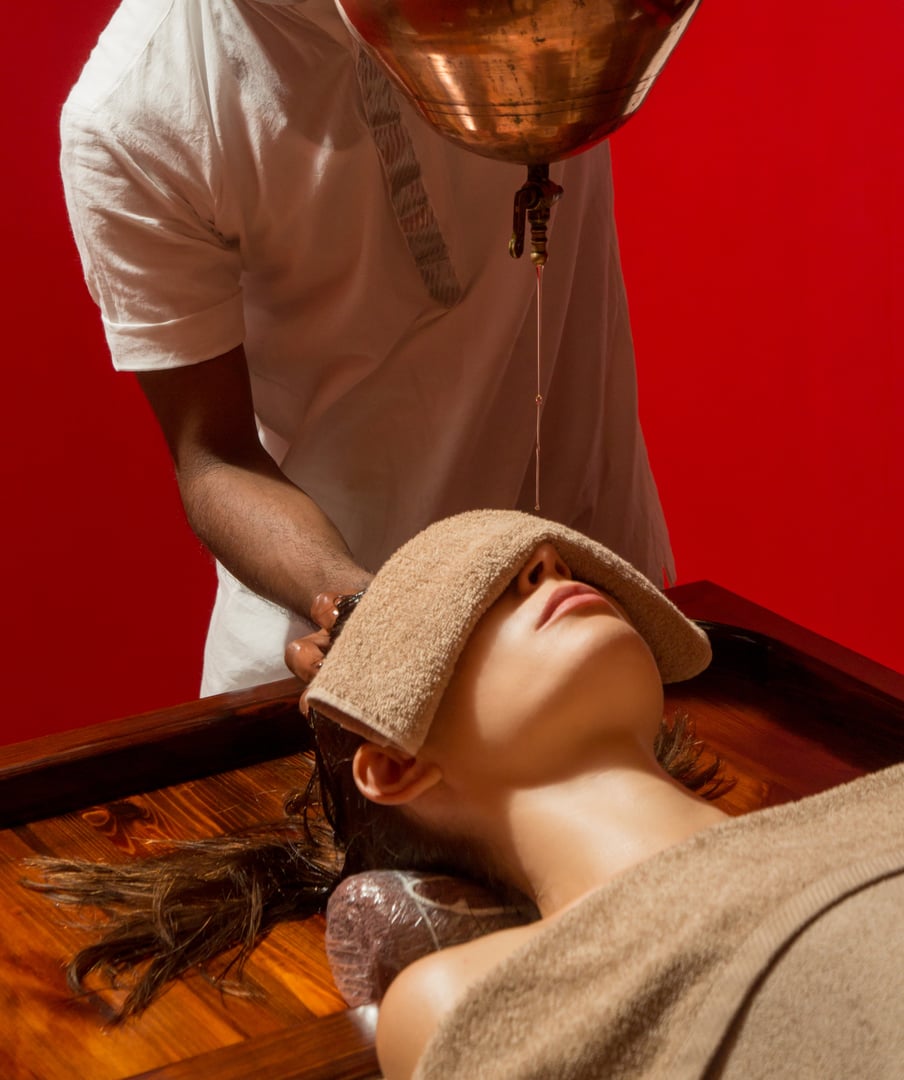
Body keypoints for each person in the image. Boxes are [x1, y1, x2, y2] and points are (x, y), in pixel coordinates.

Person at [28, 510, 904, 1078]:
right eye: (476, 593)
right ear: (398, 764)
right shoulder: (473, 993)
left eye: (557, 562)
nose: (546, 570)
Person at [61, 0, 674, 695]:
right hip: (356, 662)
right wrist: (359, 606)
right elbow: (214, 456)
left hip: (597, 599)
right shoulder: (134, 114)